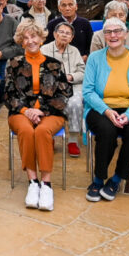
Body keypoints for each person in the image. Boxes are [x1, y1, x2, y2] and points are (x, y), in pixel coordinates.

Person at [82, 17, 129, 202]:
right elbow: (88, 91)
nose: (113, 35)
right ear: (103, 36)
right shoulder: (95, 58)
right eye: (108, 32)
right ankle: (98, 179)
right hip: (100, 107)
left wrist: (128, 114)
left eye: (117, 31)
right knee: (106, 130)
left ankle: (116, 178)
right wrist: (106, 111)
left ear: (125, 34)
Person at [4, 20, 71, 211]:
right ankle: (33, 182)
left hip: (51, 111)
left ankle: (46, 185)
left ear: (41, 39)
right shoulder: (14, 64)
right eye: (25, 38)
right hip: (20, 112)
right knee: (26, 130)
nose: (30, 40)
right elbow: (8, 95)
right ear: (21, 42)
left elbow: (65, 94)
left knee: (42, 131)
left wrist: (41, 110)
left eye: (33, 36)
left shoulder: (55, 65)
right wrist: (27, 111)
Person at [40, 21, 85, 158]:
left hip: (72, 85)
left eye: (68, 33)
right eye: (61, 32)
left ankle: (72, 140)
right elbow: (40, 71)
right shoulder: (44, 50)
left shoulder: (75, 51)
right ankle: (50, 137)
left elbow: (83, 72)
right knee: (48, 101)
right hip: (51, 87)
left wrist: (71, 76)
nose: (64, 35)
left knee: (75, 103)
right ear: (54, 34)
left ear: (71, 38)